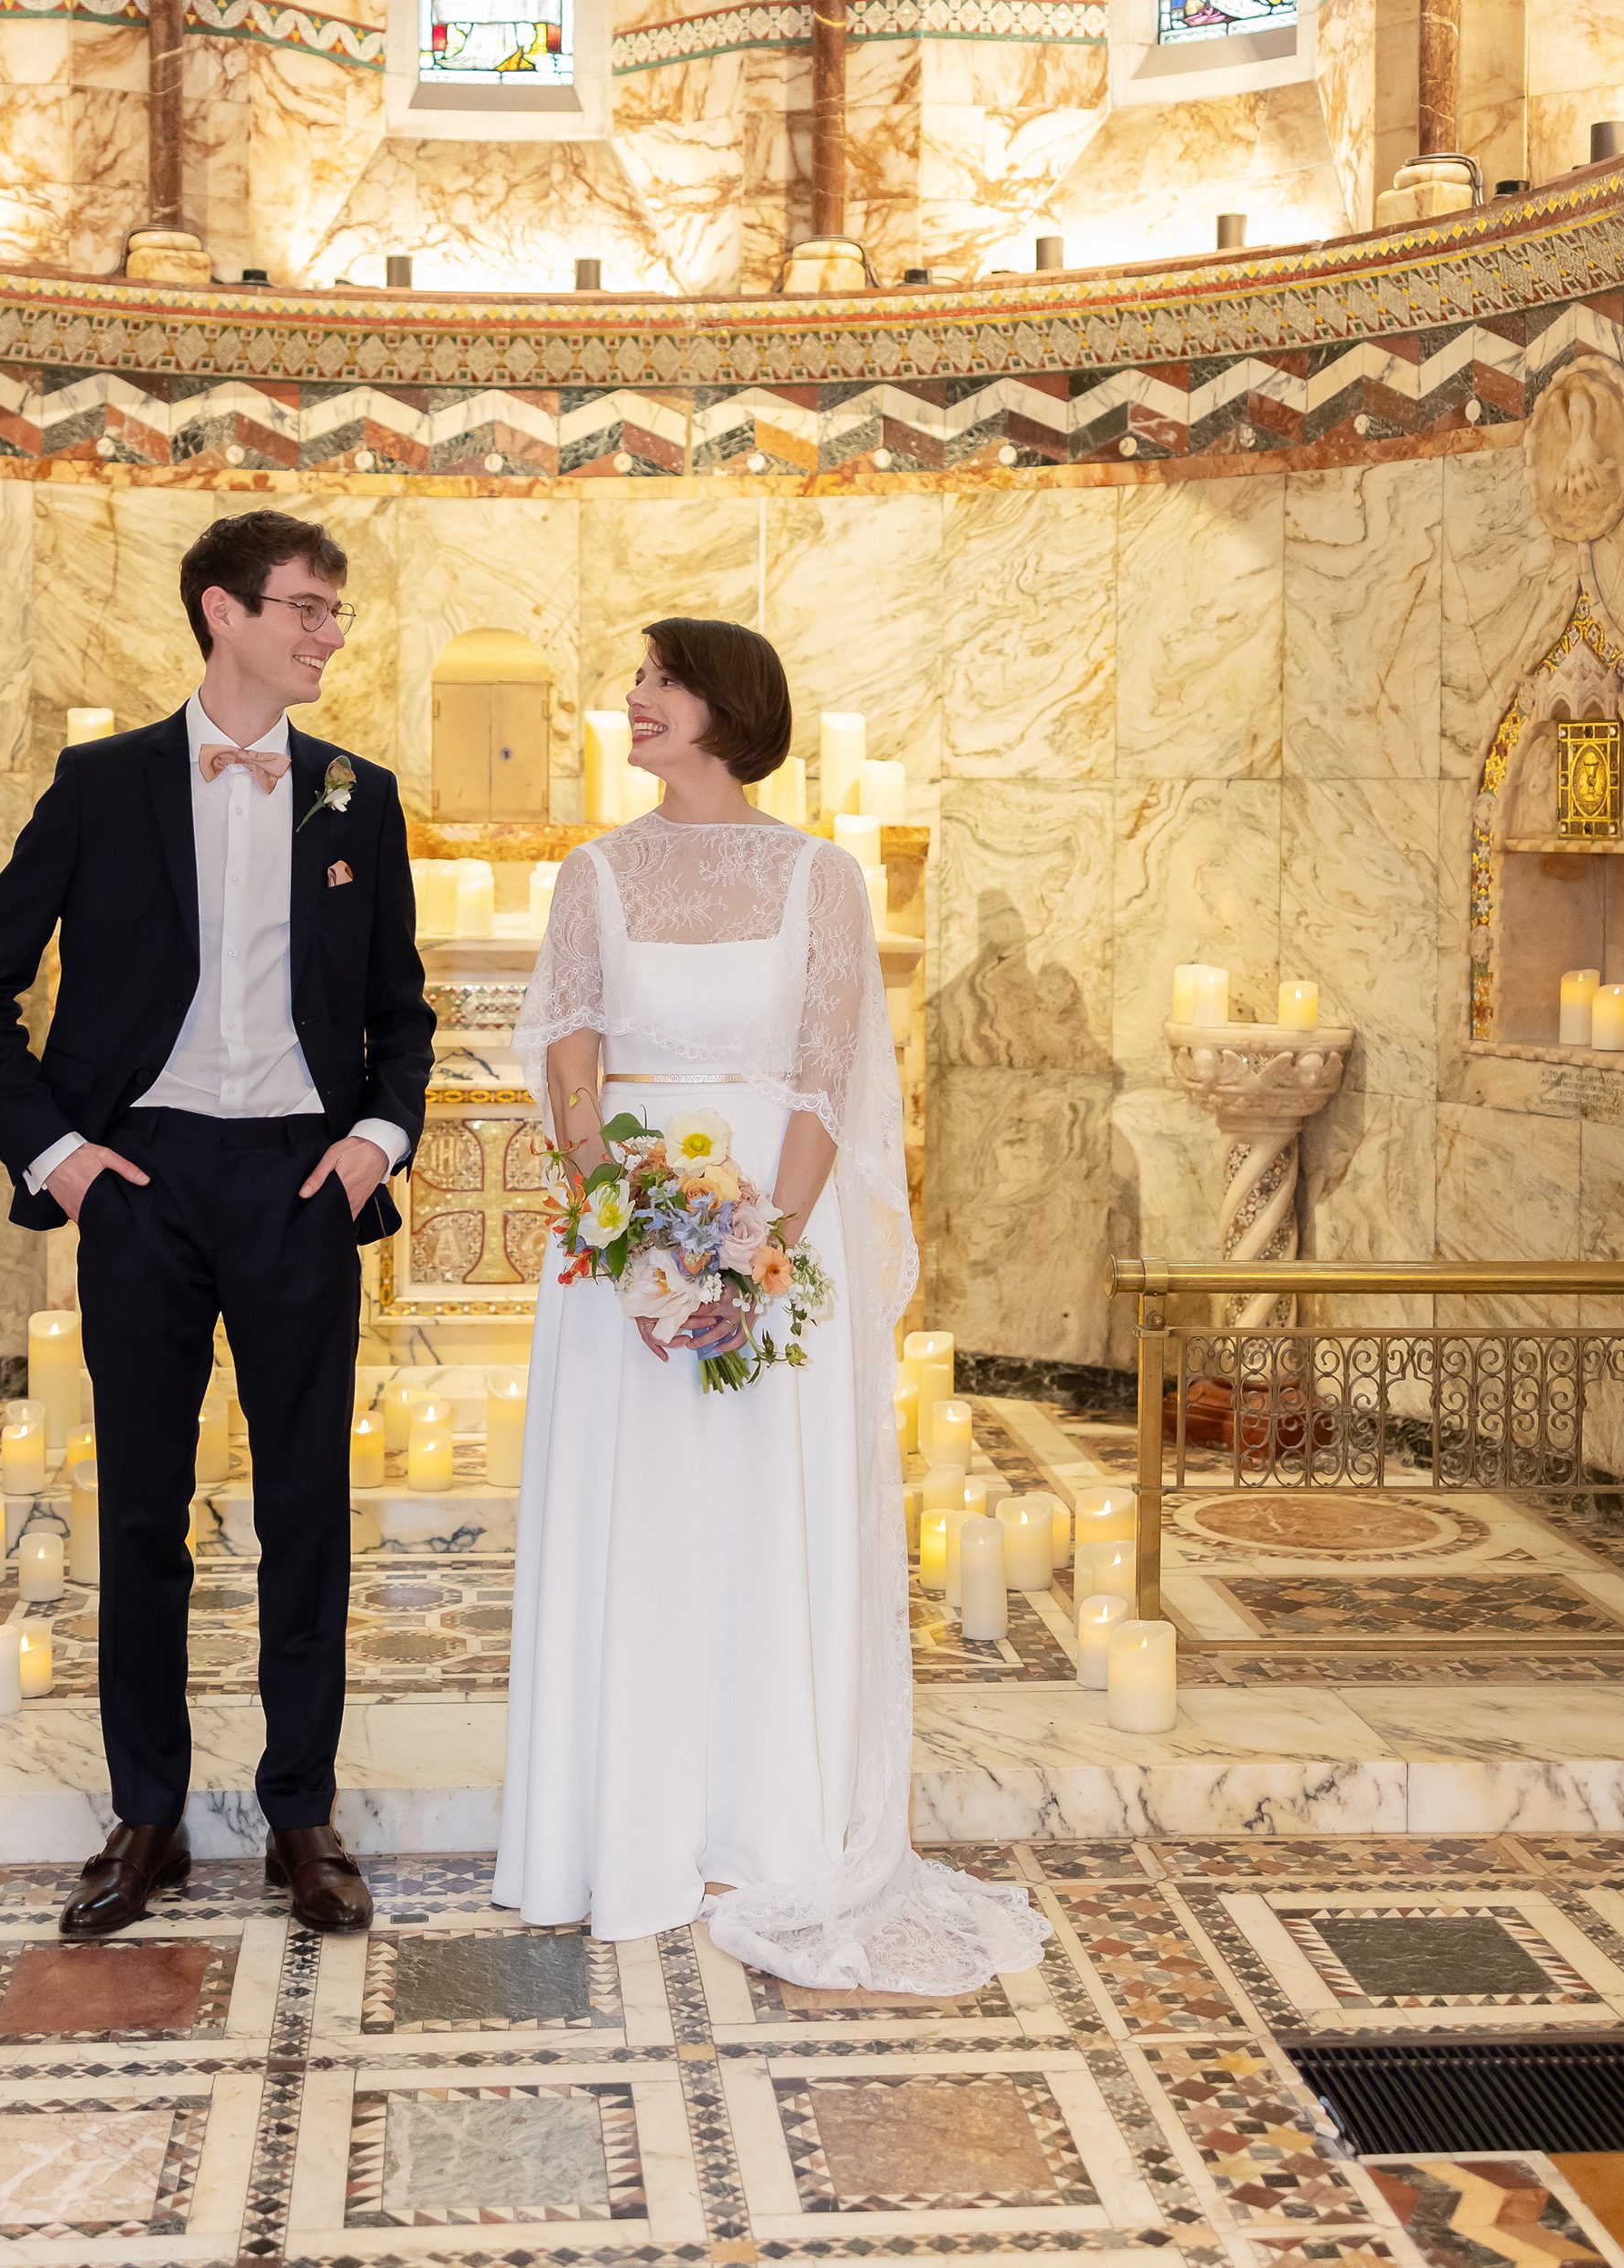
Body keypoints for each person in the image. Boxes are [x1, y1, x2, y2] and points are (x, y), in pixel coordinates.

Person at [493, 618, 1048, 1991]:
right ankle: (614, 1833)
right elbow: (570, 1068)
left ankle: (764, 1823)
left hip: (772, 1241)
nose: (633, 701)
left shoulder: (820, 879)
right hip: (621, 1243)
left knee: (756, 1518)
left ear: (728, 706)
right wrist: (627, 1242)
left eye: (661, 682)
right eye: (635, 681)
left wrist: (755, 1255)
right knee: (638, 1519)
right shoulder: (592, 875)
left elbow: (822, 1076)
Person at [0, 509, 435, 1939]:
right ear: (222, 612)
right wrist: (64, 1156)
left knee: (306, 1516)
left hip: (299, 1182)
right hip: (141, 1186)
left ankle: (302, 1816)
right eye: (304, 608)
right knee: (146, 1512)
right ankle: (144, 1815)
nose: (327, 634)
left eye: (337, 613)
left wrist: (374, 1140)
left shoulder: (359, 793)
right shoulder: (103, 786)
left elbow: (400, 1009)